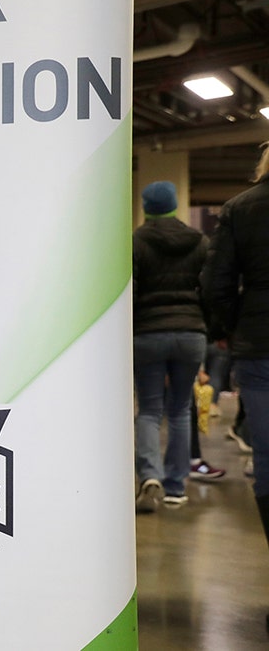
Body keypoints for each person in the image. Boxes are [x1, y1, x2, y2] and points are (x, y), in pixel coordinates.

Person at [203, 143, 269, 591]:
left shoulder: (240, 209)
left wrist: (223, 330)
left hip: (260, 343)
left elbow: (216, 281)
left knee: (266, 454)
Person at [132, 181, 208, 512]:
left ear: (147, 207)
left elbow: (130, 292)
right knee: (180, 410)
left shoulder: (136, 241)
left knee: (149, 410)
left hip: (148, 334)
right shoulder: (200, 242)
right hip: (190, 333)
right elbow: (210, 289)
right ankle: (177, 486)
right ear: (175, 205)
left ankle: (150, 475)